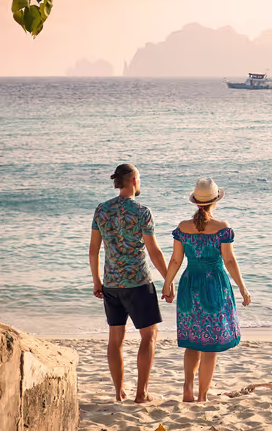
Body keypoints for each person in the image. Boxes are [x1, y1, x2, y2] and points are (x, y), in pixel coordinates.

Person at [161, 178, 252, 403]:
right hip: (214, 285)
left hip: (189, 284)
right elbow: (229, 261)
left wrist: (167, 284)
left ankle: (188, 389)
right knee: (210, 345)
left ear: (196, 202)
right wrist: (242, 288)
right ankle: (202, 396)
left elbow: (175, 260)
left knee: (192, 341)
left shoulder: (182, 227)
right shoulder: (222, 228)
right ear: (215, 201)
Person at [88, 163, 169, 403]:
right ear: (133, 180)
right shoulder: (142, 211)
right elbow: (154, 251)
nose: (140, 183)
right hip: (138, 282)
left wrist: (97, 281)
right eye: (139, 179)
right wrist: (169, 280)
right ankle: (141, 394)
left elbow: (94, 250)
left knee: (115, 339)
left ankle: (119, 392)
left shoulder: (101, 210)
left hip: (111, 284)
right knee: (149, 336)